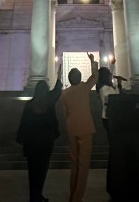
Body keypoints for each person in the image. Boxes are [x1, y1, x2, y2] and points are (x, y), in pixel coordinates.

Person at [16, 64, 63, 202]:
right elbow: (57, 92)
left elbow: (23, 123)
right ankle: (38, 195)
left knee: (32, 172)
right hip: (45, 144)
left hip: (31, 145)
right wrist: (59, 76)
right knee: (41, 172)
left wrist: (20, 138)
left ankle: (34, 197)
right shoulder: (48, 103)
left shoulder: (29, 105)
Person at [60, 52, 98, 202]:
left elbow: (64, 114)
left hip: (71, 128)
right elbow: (95, 76)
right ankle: (77, 197)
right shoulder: (84, 88)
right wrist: (92, 61)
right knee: (83, 165)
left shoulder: (64, 94)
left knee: (74, 164)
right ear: (80, 78)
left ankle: (72, 194)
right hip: (85, 129)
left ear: (69, 79)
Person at [95, 62, 123, 198]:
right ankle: (113, 185)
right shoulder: (103, 88)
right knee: (114, 151)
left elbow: (117, 96)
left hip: (115, 119)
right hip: (109, 119)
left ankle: (117, 183)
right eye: (109, 75)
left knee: (116, 152)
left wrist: (118, 84)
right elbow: (112, 99)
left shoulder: (109, 86)